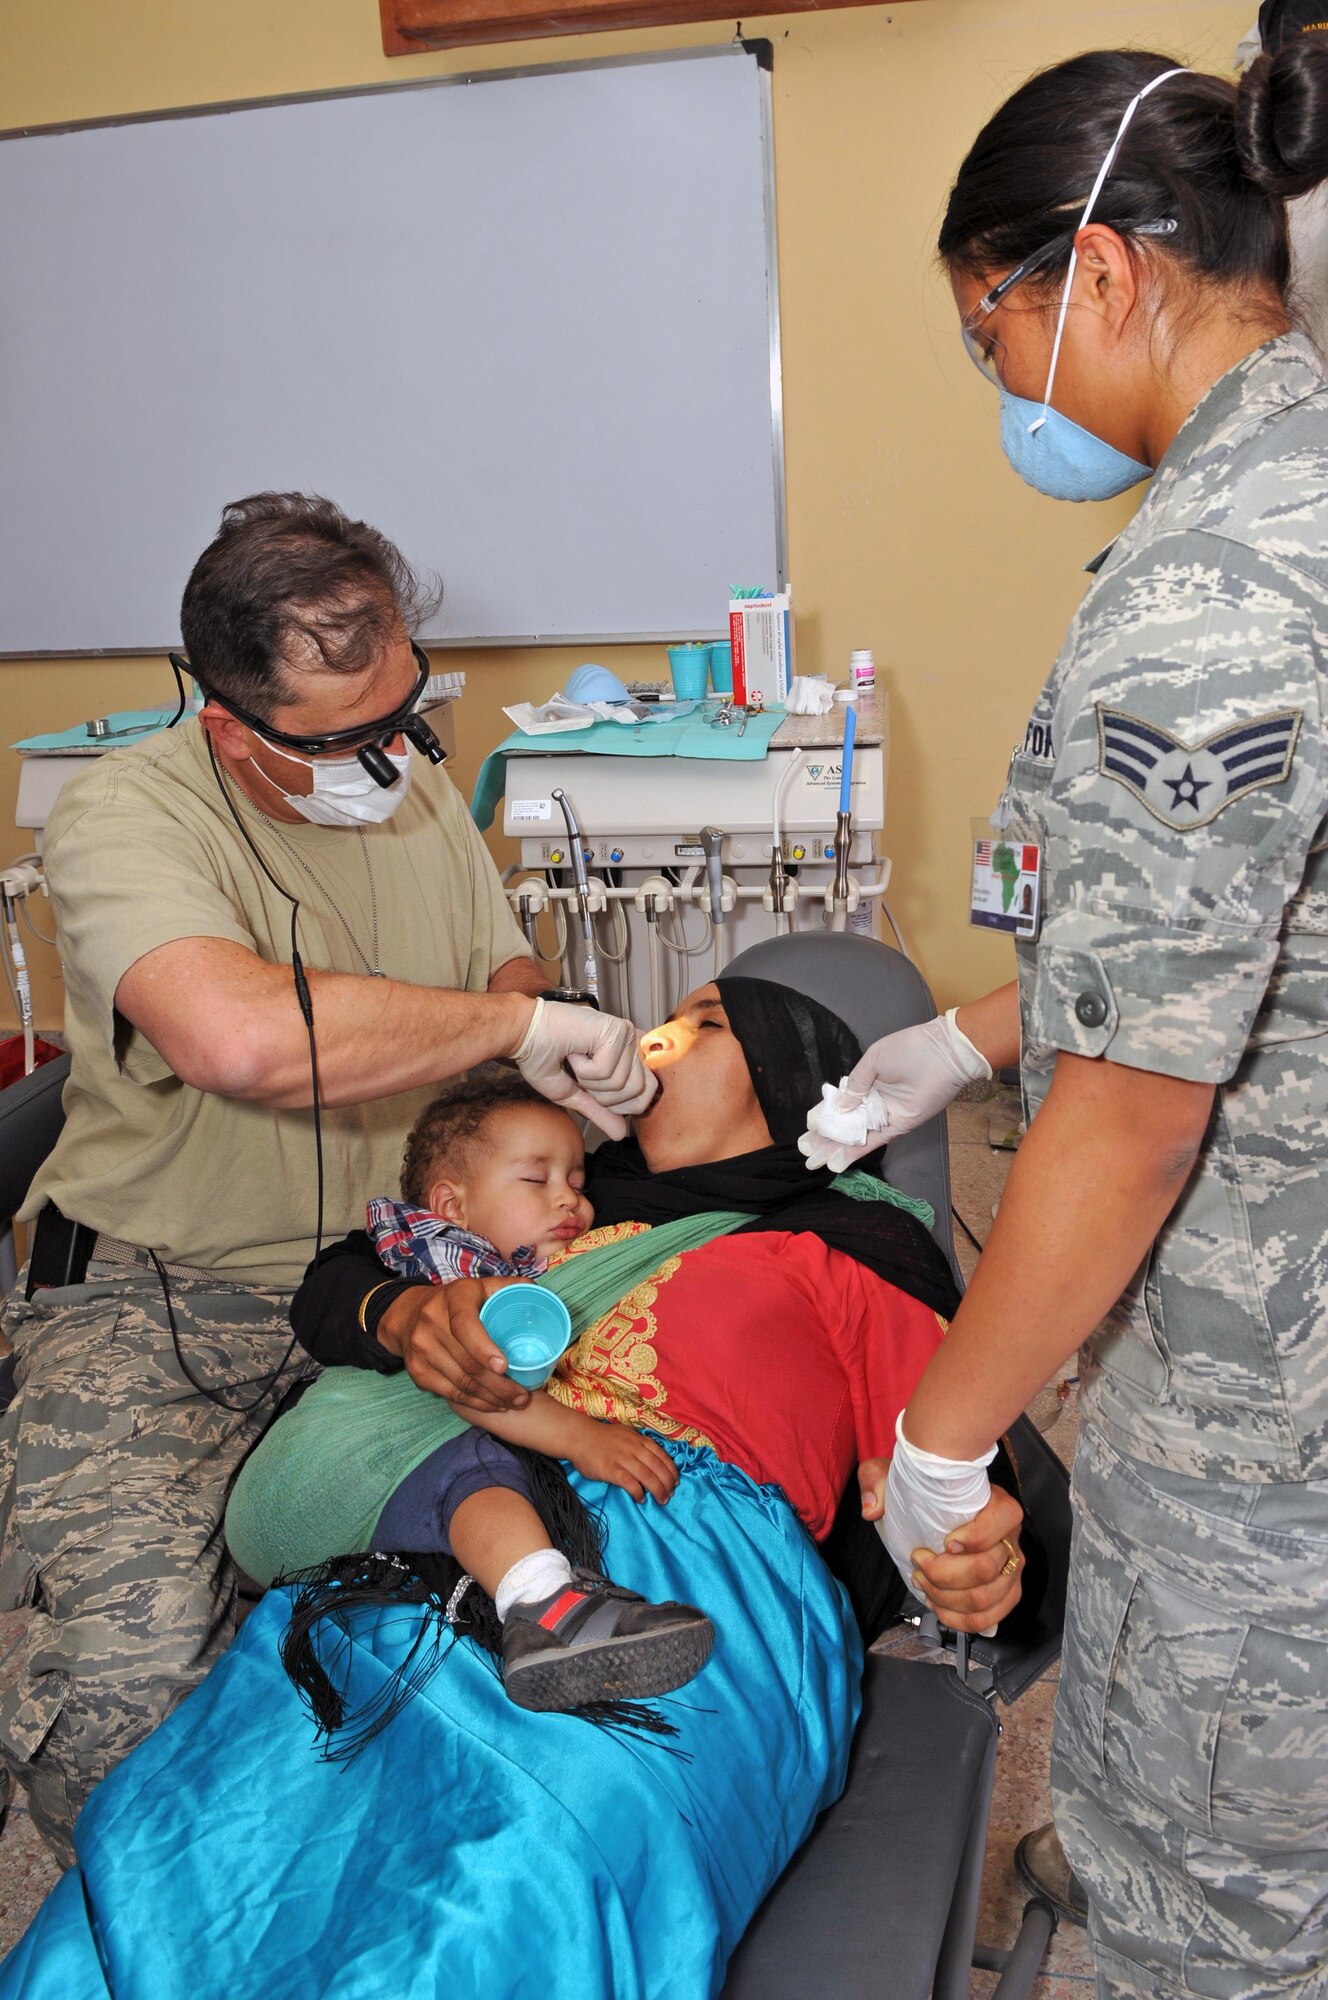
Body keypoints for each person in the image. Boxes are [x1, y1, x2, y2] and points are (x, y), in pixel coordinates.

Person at [0, 972, 1028, 1999]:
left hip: (689, 1561)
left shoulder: (853, 1245)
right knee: (215, 1827)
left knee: (523, 1854)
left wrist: (971, 1543)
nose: (658, 1033)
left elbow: (950, 1469)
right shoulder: (554, 1192)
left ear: (789, 1078)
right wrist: (406, 1318)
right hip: (447, 1532)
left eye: (705, 1023)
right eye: (667, 1011)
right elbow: (341, 1281)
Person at [804, 45, 1328, 2000]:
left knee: (1216, 1908)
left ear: (1102, 273)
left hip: (1262, 1404)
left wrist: (944, 1444)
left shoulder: (1206, 595)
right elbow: (1240, 932)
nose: (1001, 387)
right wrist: (969, 1035)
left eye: (988, 332)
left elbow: (1131, 1118)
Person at [0, 492, 654, 1864]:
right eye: (350, 736)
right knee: (131, 1701)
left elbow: (500, 972)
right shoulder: (123, 814)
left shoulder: (416, 802)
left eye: (408, 706)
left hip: (400, 1273)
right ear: (231, 723)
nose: (398, 754)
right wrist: (515, 1033)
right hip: (161, 1304)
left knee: (504, 1621)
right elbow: (236, 1034)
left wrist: (556, 1060)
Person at [227, 1067, 714, 1714]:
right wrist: (583, 1438)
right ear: (453, 1207)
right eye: (537, 1180)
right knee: (477, 1468)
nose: (570, 1200)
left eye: (577, 1181)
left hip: (369, 1507)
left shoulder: (536, 1258)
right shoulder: (462, 1269)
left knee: (480, 1472)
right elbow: (470, 1382)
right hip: (327, 1477)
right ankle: (545, 1604)